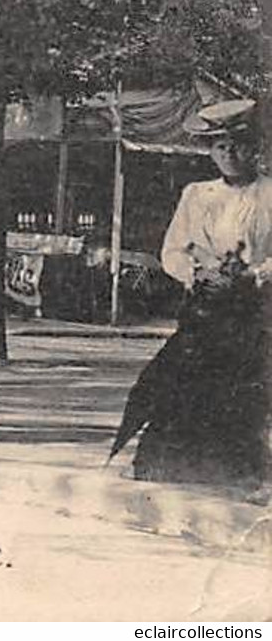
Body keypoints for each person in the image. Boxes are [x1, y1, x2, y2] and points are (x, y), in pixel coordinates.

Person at [111, 98, 270, 488]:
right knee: (179, 383)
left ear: (256, 147)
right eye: (220, 146)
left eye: (238, 144)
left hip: (258, 310)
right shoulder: (197, 195)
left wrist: (256, 274)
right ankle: (177, 468)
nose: (229, 154)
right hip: (207, 311)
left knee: (246, 388)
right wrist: (196, 273)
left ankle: (242, 469)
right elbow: (172, 250)